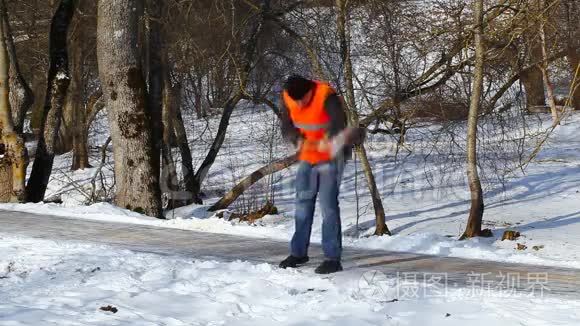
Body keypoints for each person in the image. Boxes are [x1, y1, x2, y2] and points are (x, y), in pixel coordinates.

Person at [278, 75, 364, 274]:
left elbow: (337, 129)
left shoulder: (327, 97)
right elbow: (287, 125)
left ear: (310, 90)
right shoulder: (288, 96)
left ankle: (333, 258)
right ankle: (298, 253)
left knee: (328, 206)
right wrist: (297, 140)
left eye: (303, 99)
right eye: (296, 100)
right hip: (309, 155)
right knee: (302, 204)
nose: (300, 103)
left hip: (332, 157)